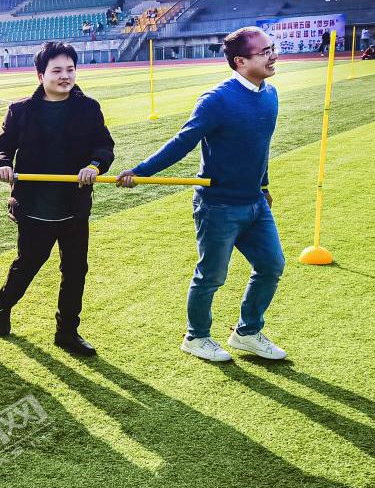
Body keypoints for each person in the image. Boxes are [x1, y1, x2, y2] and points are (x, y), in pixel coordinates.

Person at [117, 26, 287, 363]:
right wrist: (141, 171)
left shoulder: (270, 95)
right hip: (218, 206)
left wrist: (264, 186)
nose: (273, 56)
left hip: (254, 202)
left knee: (271, 265)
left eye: (272, 48)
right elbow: (183, 142)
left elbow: (260, 148)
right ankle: (196, 337)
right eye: (265, 51)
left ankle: (247, 332)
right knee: (211, 276)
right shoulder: (216, 100)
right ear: (240, 61)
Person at [0, 41, 114, 356]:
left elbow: (104, 146)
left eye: (70, 69)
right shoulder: (20, 110)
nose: (65, 76)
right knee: (28, 264)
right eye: (56, 70)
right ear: (40, 75)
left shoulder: (88, 108)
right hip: (34, 206)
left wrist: (94, 166)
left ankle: (67, 332)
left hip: (73, 207)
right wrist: (3, 163)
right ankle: (4, 302)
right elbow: (3, 146)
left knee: (75, 270)